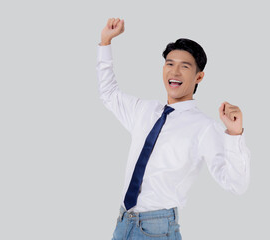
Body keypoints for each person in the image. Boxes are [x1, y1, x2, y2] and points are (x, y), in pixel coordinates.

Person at [96, 18, 250, 240]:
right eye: (170, 63)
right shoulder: (145, 111)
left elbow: (236, 184)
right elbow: (108, 93)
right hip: (123, 223)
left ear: (199, 76)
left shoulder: (204, 127)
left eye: (184, 66)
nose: (174, 72)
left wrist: (235, 135)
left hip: (157, 230)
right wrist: (105, 42)